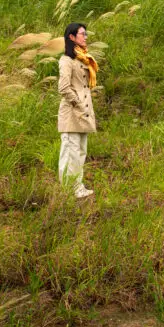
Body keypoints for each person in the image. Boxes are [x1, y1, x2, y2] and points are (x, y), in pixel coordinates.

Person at [57, 22, 98, 198]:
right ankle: (69, 190)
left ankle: (78, 187)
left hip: (84, 112)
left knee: (81, 151)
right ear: (72, 37)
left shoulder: (83, 58)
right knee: (70, 153)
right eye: (83, 34)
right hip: (72, 112)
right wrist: (78, 103)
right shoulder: (66, 60)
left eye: (85, 34)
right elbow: (64, 87)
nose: (86, 37)